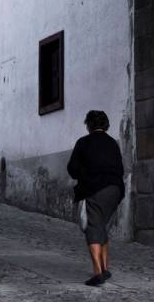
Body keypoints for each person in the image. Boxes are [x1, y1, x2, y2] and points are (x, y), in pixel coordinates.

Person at [66, 110, 125, 287]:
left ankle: (98, 272)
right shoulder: (113, 144)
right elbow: (120, 169)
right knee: (101, 225)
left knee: (92, 227)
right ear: (105, 124)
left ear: (89, 125)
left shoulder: (83, 143)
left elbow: (72, 169)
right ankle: (105, 267)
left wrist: (84, 174)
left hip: (94, 189)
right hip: (115, 190)